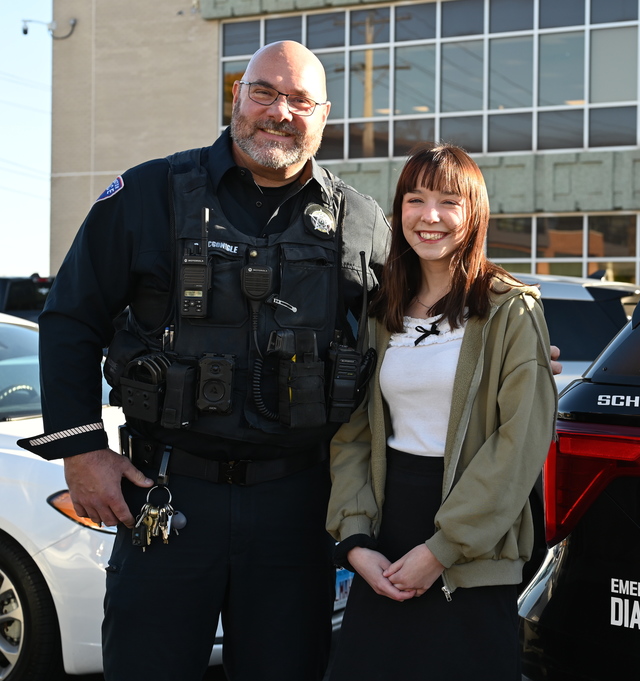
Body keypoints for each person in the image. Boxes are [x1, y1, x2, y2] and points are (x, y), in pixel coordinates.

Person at [18, 41, 392, 680]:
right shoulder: (147, 193)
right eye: (265, 92)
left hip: (298, 507)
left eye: (300, 100)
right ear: (237, 97)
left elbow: (420, 321)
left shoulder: (360, 221)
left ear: (324, 116)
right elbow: (70, 319)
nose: (280, 112)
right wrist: (81, 452)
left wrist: (508, 340)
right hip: (166, 495)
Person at [325, 143, 558, 680]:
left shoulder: (509, 309)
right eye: (415, 198)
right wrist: (356, 541)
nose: (430, 216)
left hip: (473, 542)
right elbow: (356, 434)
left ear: (473, 212)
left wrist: (442, 548)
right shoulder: (382, 309)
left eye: (449, 201)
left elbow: (518, 444)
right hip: (387, 535)